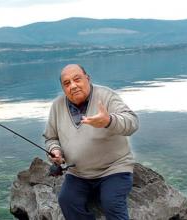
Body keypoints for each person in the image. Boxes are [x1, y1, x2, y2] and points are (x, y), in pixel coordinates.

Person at [43, 64, 139, 220]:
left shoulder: (106, 96)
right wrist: (56, 151)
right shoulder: (57, 106)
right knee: (67, 201)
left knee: (111, 203)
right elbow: (51, 138)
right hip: (78, 173)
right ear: (63, 88)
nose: (73, 86)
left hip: (113, 169)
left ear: (87, 78)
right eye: (67, 83)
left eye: (77, 79)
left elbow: (132, 123)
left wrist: (109, 120)